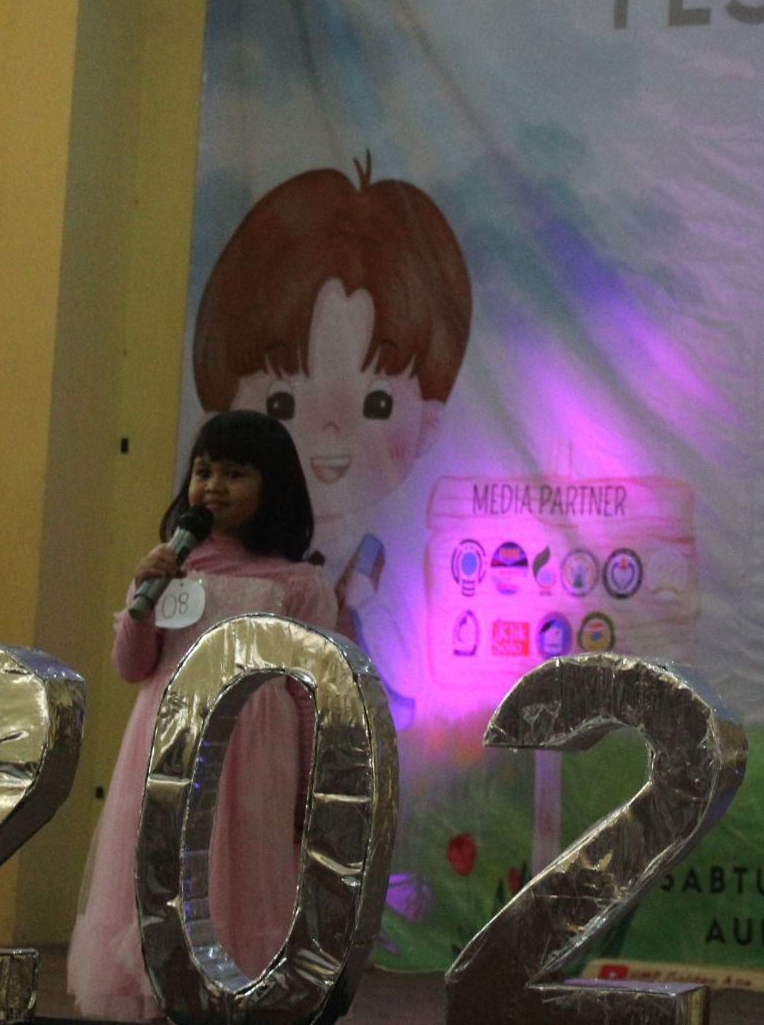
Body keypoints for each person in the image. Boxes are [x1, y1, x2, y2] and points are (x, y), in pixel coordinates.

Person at [68, 410, 333, 1021]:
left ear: (273, 486)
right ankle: (163, 997)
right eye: (203, 470)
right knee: (161, 875)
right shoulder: (174, 569)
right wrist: (144, 597)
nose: (213, 486)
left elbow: (309, 691)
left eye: (234, 473)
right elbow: (133, 666)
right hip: (166, 743)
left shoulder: (295, 584)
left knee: (234, 879)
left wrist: (309, 782)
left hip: (252, 757)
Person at [192, 156, 471, 648]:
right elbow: (135, 657)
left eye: (377, 404)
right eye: (281, 403)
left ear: (430, 420)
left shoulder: (372, 553)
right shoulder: (199, 559)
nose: (329, 429)